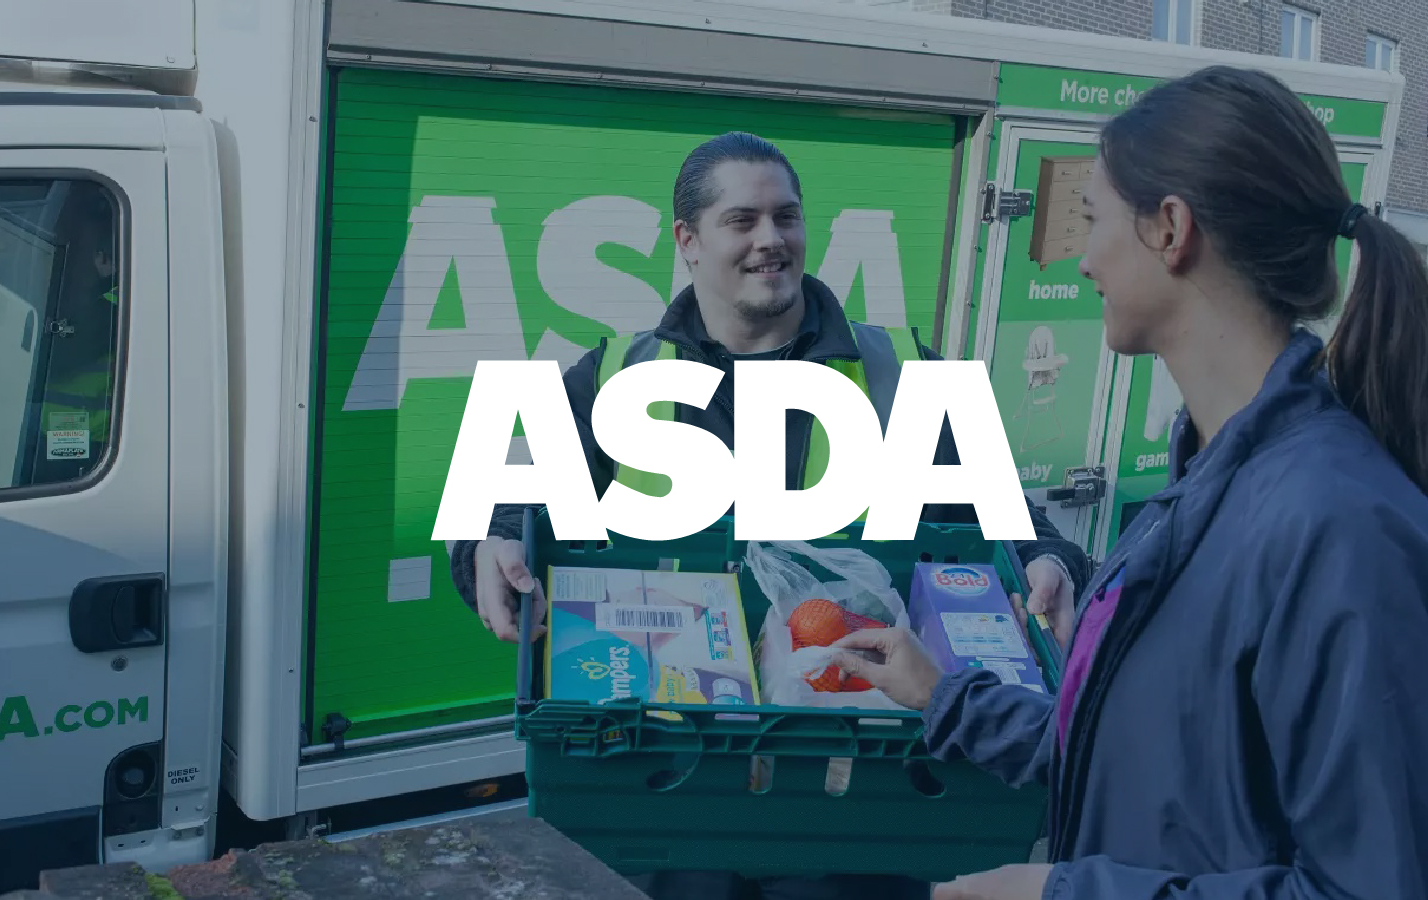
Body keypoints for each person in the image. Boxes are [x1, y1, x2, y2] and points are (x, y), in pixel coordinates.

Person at [830, 66, 1428, 900]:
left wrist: (1057, 895)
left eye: (1092, 220)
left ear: (1171, 228)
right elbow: (1154, 776)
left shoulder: (1335, 524)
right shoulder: (1207, 489)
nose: (1082, 261)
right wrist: (945, 697)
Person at [448, 131, 1094, 900]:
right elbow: (506, 502)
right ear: (688, 241)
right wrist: (483, 543)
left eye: (786, 217)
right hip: (674, 801)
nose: (771, 240)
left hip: (854, 808)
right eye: (741, 220)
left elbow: (1020, 530)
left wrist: (1055, 565)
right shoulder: (619, 375)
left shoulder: (906, 372)